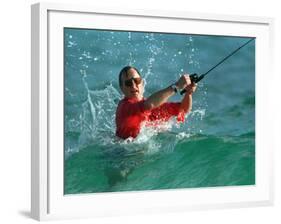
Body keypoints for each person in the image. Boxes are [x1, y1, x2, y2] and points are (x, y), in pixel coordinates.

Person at [115, 66, 197, 139]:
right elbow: (148, 104)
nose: (133, 86)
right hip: (123, 153)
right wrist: (177, 86)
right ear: (122, 88)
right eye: (128, 83)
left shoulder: (152, 106)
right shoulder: (125, 106)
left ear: (142, 83)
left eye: (137, 80)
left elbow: (184, 109)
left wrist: (188, 93)